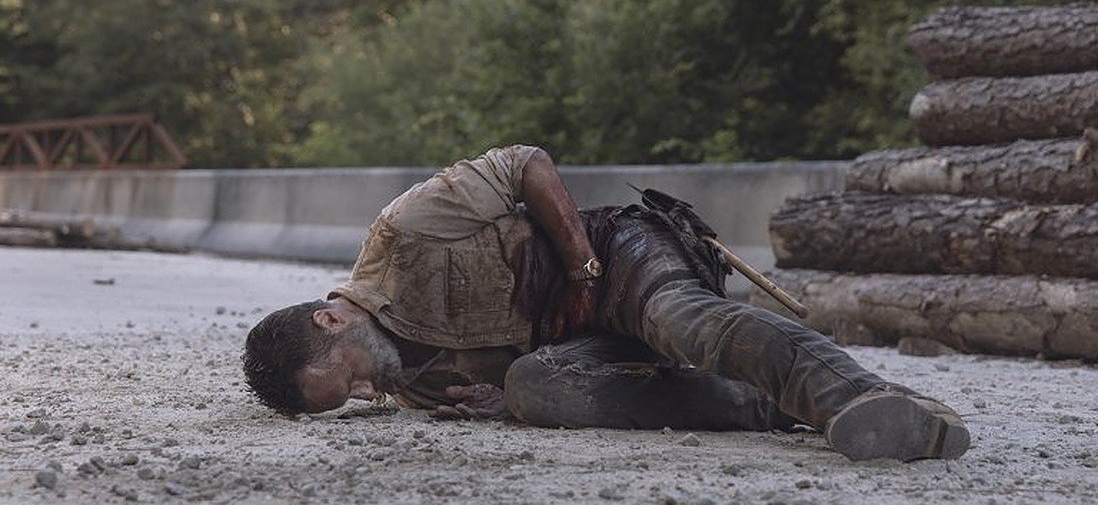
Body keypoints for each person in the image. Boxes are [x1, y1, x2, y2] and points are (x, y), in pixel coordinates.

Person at [242, 145, 970, 462]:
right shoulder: (412, 383)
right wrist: (506, 401)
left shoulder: (403, 231)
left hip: (618, 258)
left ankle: (869, 397)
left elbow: (525, 163)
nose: (369, 395)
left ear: (330, 320)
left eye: (349, 379)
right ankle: (784, 408)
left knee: (686, 323)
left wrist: (583, 268)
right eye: (350, 402)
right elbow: (533, 379)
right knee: (534, 387)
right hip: (585, 339)